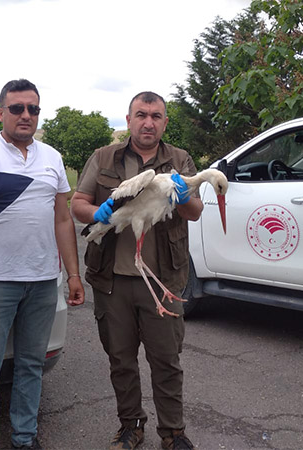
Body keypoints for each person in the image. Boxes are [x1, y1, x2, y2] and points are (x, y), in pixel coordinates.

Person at [0, 79, 85, 450]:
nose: (26, 115)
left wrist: (73, 274)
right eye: (17, 108)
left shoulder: (52, 159)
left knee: (31, 366)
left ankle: (25, 438)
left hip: (42, 282)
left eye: (33, 109)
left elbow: (62, 220)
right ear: (1, 113)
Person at [70, 91, 201, 450]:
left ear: (164, 122)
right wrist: (99, 213)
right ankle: (131, 426)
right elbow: (78, 205)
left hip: (163, 280)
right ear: (128, 120)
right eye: (141, 115)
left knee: (166, 361)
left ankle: (173, 432)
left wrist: (184, 195)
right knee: (121, 361)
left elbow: (195, 212)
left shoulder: (180, 159)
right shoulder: (104, 157)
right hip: (112, 280)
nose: (148, 122)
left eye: (156, 116)